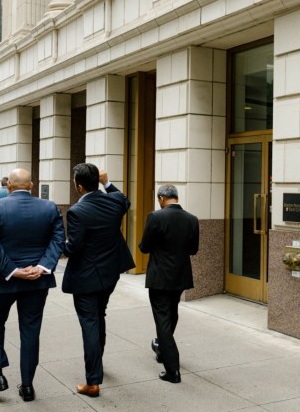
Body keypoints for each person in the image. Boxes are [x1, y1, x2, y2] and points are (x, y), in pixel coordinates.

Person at [0, 169, 65, 402]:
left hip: (2, 279)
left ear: (8, 187)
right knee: (30, 330)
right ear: (32, 185)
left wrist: (12, 270)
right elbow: (58, 240)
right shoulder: (49, 207)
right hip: (37, 281)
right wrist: (42, 267)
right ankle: (27, 386)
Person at [62, 163, 135, 398]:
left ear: (78, 186)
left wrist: (59, 245)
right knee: (99, 315)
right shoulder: (113, 202)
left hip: (86, 277)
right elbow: (124, 199)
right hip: (111, 272)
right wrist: (107, 182)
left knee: (90, 322)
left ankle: (93, 382)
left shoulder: (76, 212)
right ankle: (98, 362)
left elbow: (73, 247)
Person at [139, 184, 199, 384]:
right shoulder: (192, 219)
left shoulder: (156, 217)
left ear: (161, 198)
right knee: (171, 313)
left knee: (162, 321)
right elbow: (193, 250)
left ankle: (172, 370)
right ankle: (163, 349)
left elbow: (144, 247)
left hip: (160, 277)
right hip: (180, 276)